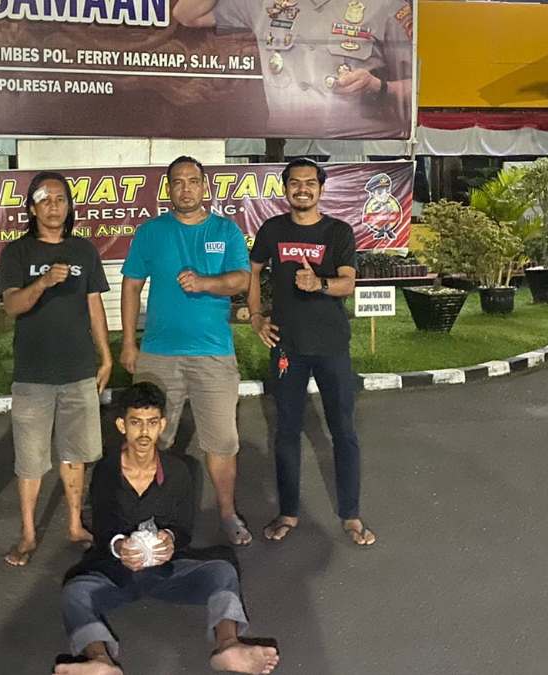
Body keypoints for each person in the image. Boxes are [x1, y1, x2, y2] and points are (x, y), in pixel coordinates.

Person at [53, 382, 280, 675]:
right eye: (136, 423)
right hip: (117, 572)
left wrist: (170, 540)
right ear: (122, 425)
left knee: (222, 571)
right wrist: (120, 547)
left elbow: (183, 527)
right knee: (75, 592)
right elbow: (104, 527)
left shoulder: (178, 471)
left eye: (151, 423)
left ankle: (228, 644)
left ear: (162, 425)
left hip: (167, 569)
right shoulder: (106, 472)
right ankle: (100, 659)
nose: (144, 432)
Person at [120, 156, 254, 546]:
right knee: (150, 439)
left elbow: (241, 280)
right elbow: (131, 286)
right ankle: (146, 516)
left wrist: (204, 283)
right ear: (168, 189)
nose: (185, 188)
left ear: (204, 187)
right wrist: (128, 342)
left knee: (222, 441)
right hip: (158, 355)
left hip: (213, 354)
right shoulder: (151, 232)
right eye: (177, 182)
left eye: (193, 181)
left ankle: (227, 514)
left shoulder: (225, 230)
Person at [246, 158, 376, 547]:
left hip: (331, 347)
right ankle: (288, 512)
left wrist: (318, 283)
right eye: (294, 183)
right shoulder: (272, 229)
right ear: (285, 188)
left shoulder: (338, 231)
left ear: (320, 189)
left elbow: (348, 283)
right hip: (287, 348)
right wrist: (256, 316)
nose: (302, 189)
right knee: (286, 431)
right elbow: (253, 271)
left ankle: (351, 514)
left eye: (310, 183)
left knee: (343, 431)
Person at [0, 171, 113, 567]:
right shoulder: (18, 253)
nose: (53, 207)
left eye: (60, 199)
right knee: (30, 459)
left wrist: (106, 355)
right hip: (33, 374)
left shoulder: (84, 251)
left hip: (78, 370)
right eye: (44, 200)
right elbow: (11, 306)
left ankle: (75, 525)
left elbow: (95, 306)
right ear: (32, 208)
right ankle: (28, 534)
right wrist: (44, 282)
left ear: (69, 206)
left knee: (76, 454)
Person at [173, 0, 414, 139]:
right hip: (282, 144)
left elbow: (418, 87)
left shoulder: (385, 5)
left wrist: (378, 86)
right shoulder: (266, 3)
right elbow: (187, 14)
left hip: (358, 146)